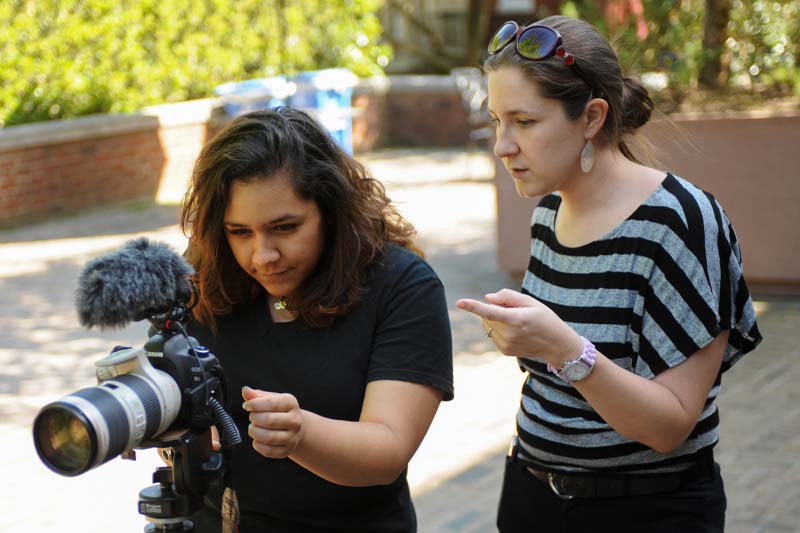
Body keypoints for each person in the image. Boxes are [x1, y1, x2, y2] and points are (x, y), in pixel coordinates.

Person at [456, 15, 762, 533]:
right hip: (532, 492)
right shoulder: (549, 214)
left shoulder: (683, 222)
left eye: (524, 122)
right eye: (495, 121)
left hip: (644, 510)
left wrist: (564, 349)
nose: (502, 145)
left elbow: (669, 426)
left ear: (592, 117)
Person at [179, 107, 454, 532]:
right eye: (240, 232)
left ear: (330, 209)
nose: (263, 255)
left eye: (285, 228)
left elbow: (388, 449)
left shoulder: (402, 286)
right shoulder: (203, 281)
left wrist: (302, 434)